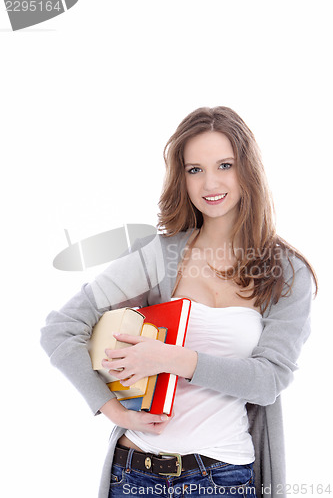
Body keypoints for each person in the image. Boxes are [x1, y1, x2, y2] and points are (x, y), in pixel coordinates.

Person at [40, 106, 317, 498]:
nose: (210, 183)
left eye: (225, 165)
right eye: (194, 169)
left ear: (248, 170)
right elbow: (60, 329)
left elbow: (268, 380)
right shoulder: (159, 256)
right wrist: (110, 407)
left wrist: (170, 359)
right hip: (135, 474)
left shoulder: (286, 272)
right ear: (182, 178)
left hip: (221, 479)